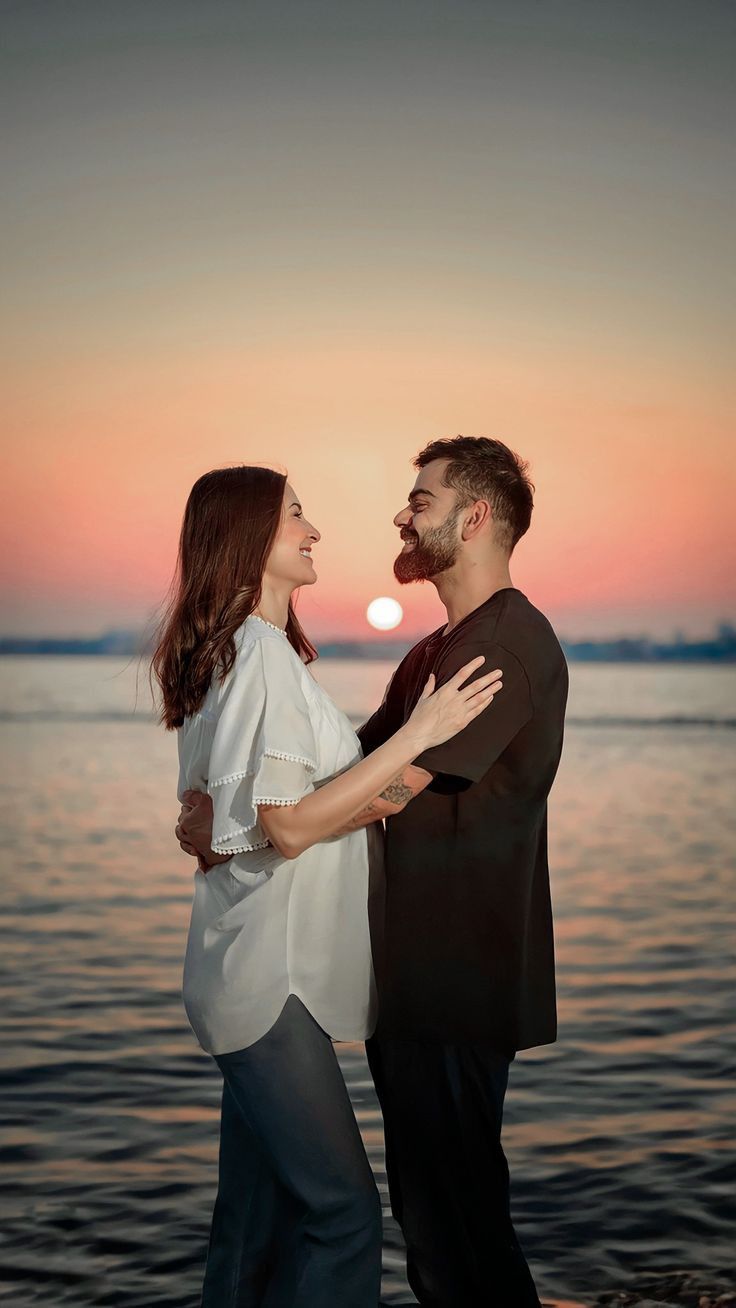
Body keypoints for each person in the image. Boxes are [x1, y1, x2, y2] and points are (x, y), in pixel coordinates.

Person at [152, 463, 504, 1308]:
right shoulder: (260, 657)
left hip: (246, 968)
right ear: (247, 542)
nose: (313, 532)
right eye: (295, 518)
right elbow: (292, 824)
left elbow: (228, 823)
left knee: (253, 1217)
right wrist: (419, 733)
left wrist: (218, 833)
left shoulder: (238, 653)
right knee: (342, 1215)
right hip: (273, 979)